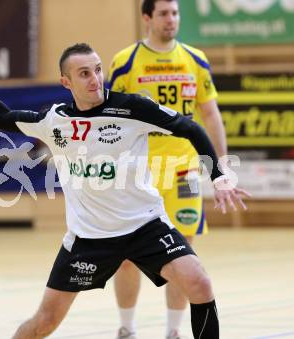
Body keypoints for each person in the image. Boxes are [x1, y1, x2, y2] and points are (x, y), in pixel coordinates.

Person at [0, 29, 248, 339]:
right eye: (84, 73)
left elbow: (191, 129)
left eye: (97, 69)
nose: (95, 78)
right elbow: (0, 116)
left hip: (145, 226)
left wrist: (219, 176)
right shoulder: (54, 121)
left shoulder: (133, 108)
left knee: (199, 284)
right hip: (90, 237)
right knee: (45, 321)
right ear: (67, 82)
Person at [108, 0, 228, 338]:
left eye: (175, 13)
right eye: (163, 13)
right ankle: (126, 328)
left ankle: (174, 331)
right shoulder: (125, 62)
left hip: (184, 172)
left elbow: (211, 115)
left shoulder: (194, 59)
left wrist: (222, 168)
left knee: (183, 251)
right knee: (128, 254)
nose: (171, 19)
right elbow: (108, 119)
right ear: (147, 18)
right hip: (138, 174)